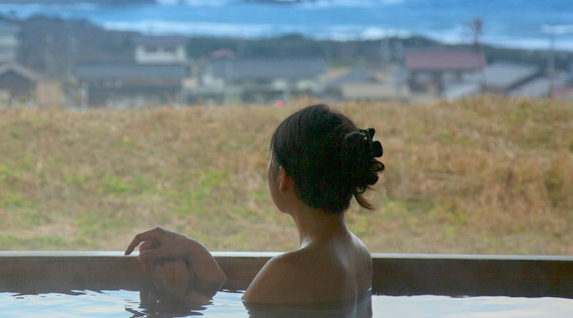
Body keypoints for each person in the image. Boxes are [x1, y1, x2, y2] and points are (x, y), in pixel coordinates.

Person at [126, 103, 384, 304]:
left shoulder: (289, 270)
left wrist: (179, 292)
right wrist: (198, 255)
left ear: (283, 178)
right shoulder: (358, 253)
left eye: (270, 162)